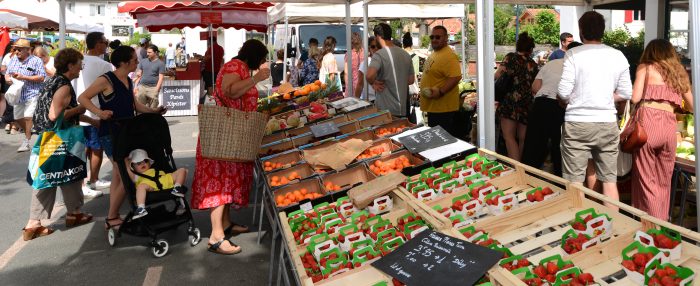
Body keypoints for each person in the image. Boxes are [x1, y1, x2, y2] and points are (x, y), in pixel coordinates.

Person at [191, 39, 270, 255]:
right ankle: (216, 237)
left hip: (231, 134)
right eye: (261, 58)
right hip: (224, 135)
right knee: (220, 185)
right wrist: (256, 79)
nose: (262, 63)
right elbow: (230, 91)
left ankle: (225, 224)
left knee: (227, 181)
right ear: (254, 56)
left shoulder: (240, 66)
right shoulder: (236, 67)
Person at [78, 46, 167, 232]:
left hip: (127, 131)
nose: (137, 62)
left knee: (119, 175)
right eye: (134, 59)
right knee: (124, 174)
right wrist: (99, 113)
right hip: (111, 132)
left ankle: (113, 215)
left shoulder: (127, 79)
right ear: (125, 62)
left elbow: (135, 105)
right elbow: (83, 98)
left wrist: (154, 111)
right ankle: (111, 216)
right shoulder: (106, 79)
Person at [558, 11, 633, 211]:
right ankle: (614, 229)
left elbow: (563, 92)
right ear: (603, 31)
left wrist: (577, 98)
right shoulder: (617, 55)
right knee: (609, 181)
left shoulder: (574, 54)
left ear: (581, 31)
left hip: (577, 123)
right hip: (607, 122)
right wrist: (608, 97)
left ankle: (582, 228)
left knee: (575, 181)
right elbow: (626, 92)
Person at [23, 48, 93, 241]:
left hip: (49, 138)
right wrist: (80, 108)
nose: (81, 68)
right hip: (60, 138)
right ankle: (38, 223)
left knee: (59, 176)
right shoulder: (63, 85)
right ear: (70, 66)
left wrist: (94, 121)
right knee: (61, 175)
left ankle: (67, 214)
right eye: (80, 64)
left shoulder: (51, 81)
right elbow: (54, 115)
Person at [631, 39, 694, 220]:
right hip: (669, 127)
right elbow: (691, 106)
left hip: (648, 124)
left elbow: (635, 98)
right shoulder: (679, 71)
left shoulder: (646, 67)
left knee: (645, 181)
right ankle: (662, 222)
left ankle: (651, 226)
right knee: (663, 181)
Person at [522, 41, 583, 177]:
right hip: (560, 106)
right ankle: (560, 184)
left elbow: (535, 87)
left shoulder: (551, 63)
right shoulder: (579, 68)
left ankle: (528, 179)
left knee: (534, 146)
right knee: (559, 147)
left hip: (540, 104)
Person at [74, 31, 114, 198]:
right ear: (98, 44)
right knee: (96, 149)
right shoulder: (103, 64)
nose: (107, 45)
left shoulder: (78, 61)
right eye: (105, 42)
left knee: (83, 149)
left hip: (79, 112)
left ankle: (90, 181)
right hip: (95, 112)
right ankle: (90, 181)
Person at [494, 32, 538, 161]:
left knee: (509, 137)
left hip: (510, 102)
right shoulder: (533, 64)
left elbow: (497, 76)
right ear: (530, 49)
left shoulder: (510, 58)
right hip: (527, 103)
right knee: (523, 139)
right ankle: (523, 167)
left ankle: (516, 168)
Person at [419, 26, 463, 137]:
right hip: (434, 108)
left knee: (442, 144)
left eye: (438, 37)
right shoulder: (436, 53)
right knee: (435, 141)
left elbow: (456, 77)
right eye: (432, 37)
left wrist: (441, 91)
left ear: (446, 38)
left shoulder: (449, 56)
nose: (434, 39)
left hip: (443, 110)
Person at [6, 39, 47, 152]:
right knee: (18, 118)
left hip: (32, 92)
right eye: (15, 49)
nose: (17, 51)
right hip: (18, 94)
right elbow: (7, 74)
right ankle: (29, 131)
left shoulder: (36, 61)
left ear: (27, 50)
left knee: (28, 116)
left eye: (19, 49)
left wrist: (23, 77)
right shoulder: (13, 60)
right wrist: (8, 79)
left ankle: (27, 141)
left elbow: (42, 77)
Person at [366, 23, 415, 117]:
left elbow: (369, 75)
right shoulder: (405, 54)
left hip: (385, 111)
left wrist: (373, 83)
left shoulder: (379, 54)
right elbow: (411, 80)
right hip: (402, 109)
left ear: (378, 37)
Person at [124, 149, 187, 219]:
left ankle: (177, 187)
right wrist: (127, 163)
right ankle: (141, 208)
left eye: (145, 161)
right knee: (140, 187)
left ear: (149, 163)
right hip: (150, 186)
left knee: (182, 170)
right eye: (139, 163)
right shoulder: (137, 176)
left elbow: (167, 176)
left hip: (164, 180)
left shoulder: (154, 169)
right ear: (133, 167)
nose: (143, 164)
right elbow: (129, 171)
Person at [134, 44, 166, 109]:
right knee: (140, 109)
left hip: (153, 88)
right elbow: (139, 75)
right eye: (147, 52)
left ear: (156, 52)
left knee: (152, 109)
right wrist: (135, 86)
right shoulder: (143, 61)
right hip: (142, 87)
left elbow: (161, 78)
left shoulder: (160, 64)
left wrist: (156, 90)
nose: (147, 54)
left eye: (149, 52)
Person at [344, 32, 364, 98]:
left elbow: (346, 72)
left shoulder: (348, 54)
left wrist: (347, 86)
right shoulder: (365, 52)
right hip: (363, 83)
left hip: (352, 83)